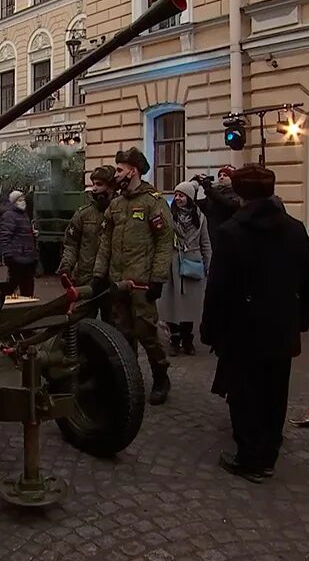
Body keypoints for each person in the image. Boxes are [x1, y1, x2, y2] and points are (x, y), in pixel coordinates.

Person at [200, 164, 309, 483]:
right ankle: (269, 452)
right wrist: (300, 321)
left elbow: (219, 287)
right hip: (281, 326)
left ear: (240, 193)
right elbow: (308, 280)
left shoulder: (232, 232)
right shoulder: (295, 228)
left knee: (244, 393)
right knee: (275, 391)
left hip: (242, 330)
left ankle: (250, 458)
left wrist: (209, 329)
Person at [92, 147, 174, 405]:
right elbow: (105, 242)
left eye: (119, 170)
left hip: (141, 284)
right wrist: (98, 275)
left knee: (147, 334)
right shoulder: (115, 205)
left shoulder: (153, 202)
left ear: (133, 170)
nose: (116, 174)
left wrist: (158, 278)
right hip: (117, 282)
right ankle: (130, 380)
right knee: (122, 334)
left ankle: (161, 378)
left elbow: (164, 241)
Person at [160, 180, 212, 356]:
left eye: (181, 195)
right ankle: (174, 340)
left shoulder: (200, 217)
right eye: (176, 195)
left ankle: (188, 340)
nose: (178, 198)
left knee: (190, 304)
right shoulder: (169, 215)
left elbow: (206, 243)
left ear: (189, 197)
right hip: (173, 262)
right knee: (173, 303)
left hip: (193, 263)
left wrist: (208, 265)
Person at [58, 166, 116, 320]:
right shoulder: (83, 214)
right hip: (86, 280)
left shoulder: (119, 212)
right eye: (94, 184)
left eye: (100, 185)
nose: (95, 189)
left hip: (112, 281)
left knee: (113, 328)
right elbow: (71, 244)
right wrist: (66, 266)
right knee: (80, 324)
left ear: (111, 187)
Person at [0, 190, 38, 297]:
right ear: (14, 202)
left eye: (23, 200)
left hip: (28, 257)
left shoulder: (24, 215)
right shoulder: (10, 215)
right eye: (19, 200)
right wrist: (8, 254)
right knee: (13, 284)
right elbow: (5, 236)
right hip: (17, 257)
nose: (23, 202)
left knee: (28, 286)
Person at [195, 165, 240, 248]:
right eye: (219, 175)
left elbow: (227, 203)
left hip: (228, 239)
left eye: (225, 175)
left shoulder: (236, 194)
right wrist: (193, 187)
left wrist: (209, 189)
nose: (221, 177)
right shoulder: (212, 195)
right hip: (210, 238)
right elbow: (197, 206)